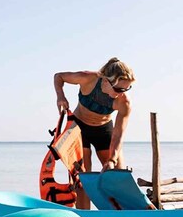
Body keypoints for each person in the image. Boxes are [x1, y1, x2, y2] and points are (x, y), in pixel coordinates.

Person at [53, 58, 135, 208]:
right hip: (78, 128)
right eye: (118, 89)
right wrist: (60, 96)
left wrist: (112, 158)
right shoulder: (88, 79)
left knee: (118, 174)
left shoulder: (124, 102)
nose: (121, 94)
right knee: (82, 177)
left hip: (103, 129)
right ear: (105, 80)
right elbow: (59, 76)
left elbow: (118, 133)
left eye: (126, 89)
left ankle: (122, 216)